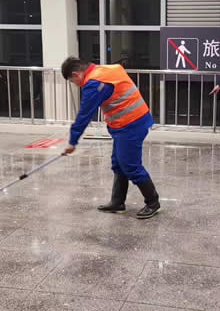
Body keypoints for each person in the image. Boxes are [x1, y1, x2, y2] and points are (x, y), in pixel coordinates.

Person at [61, 57, 160, 219]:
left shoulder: (94, 84)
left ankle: (153, 202)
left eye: (73, 81)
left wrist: (72, 142)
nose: (76, 85)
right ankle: (117, 202)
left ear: (76, 74)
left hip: (131, 124)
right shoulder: (103, 70)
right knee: (118, 163)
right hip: (126, 123)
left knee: (130, 165)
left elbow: (84, 115)